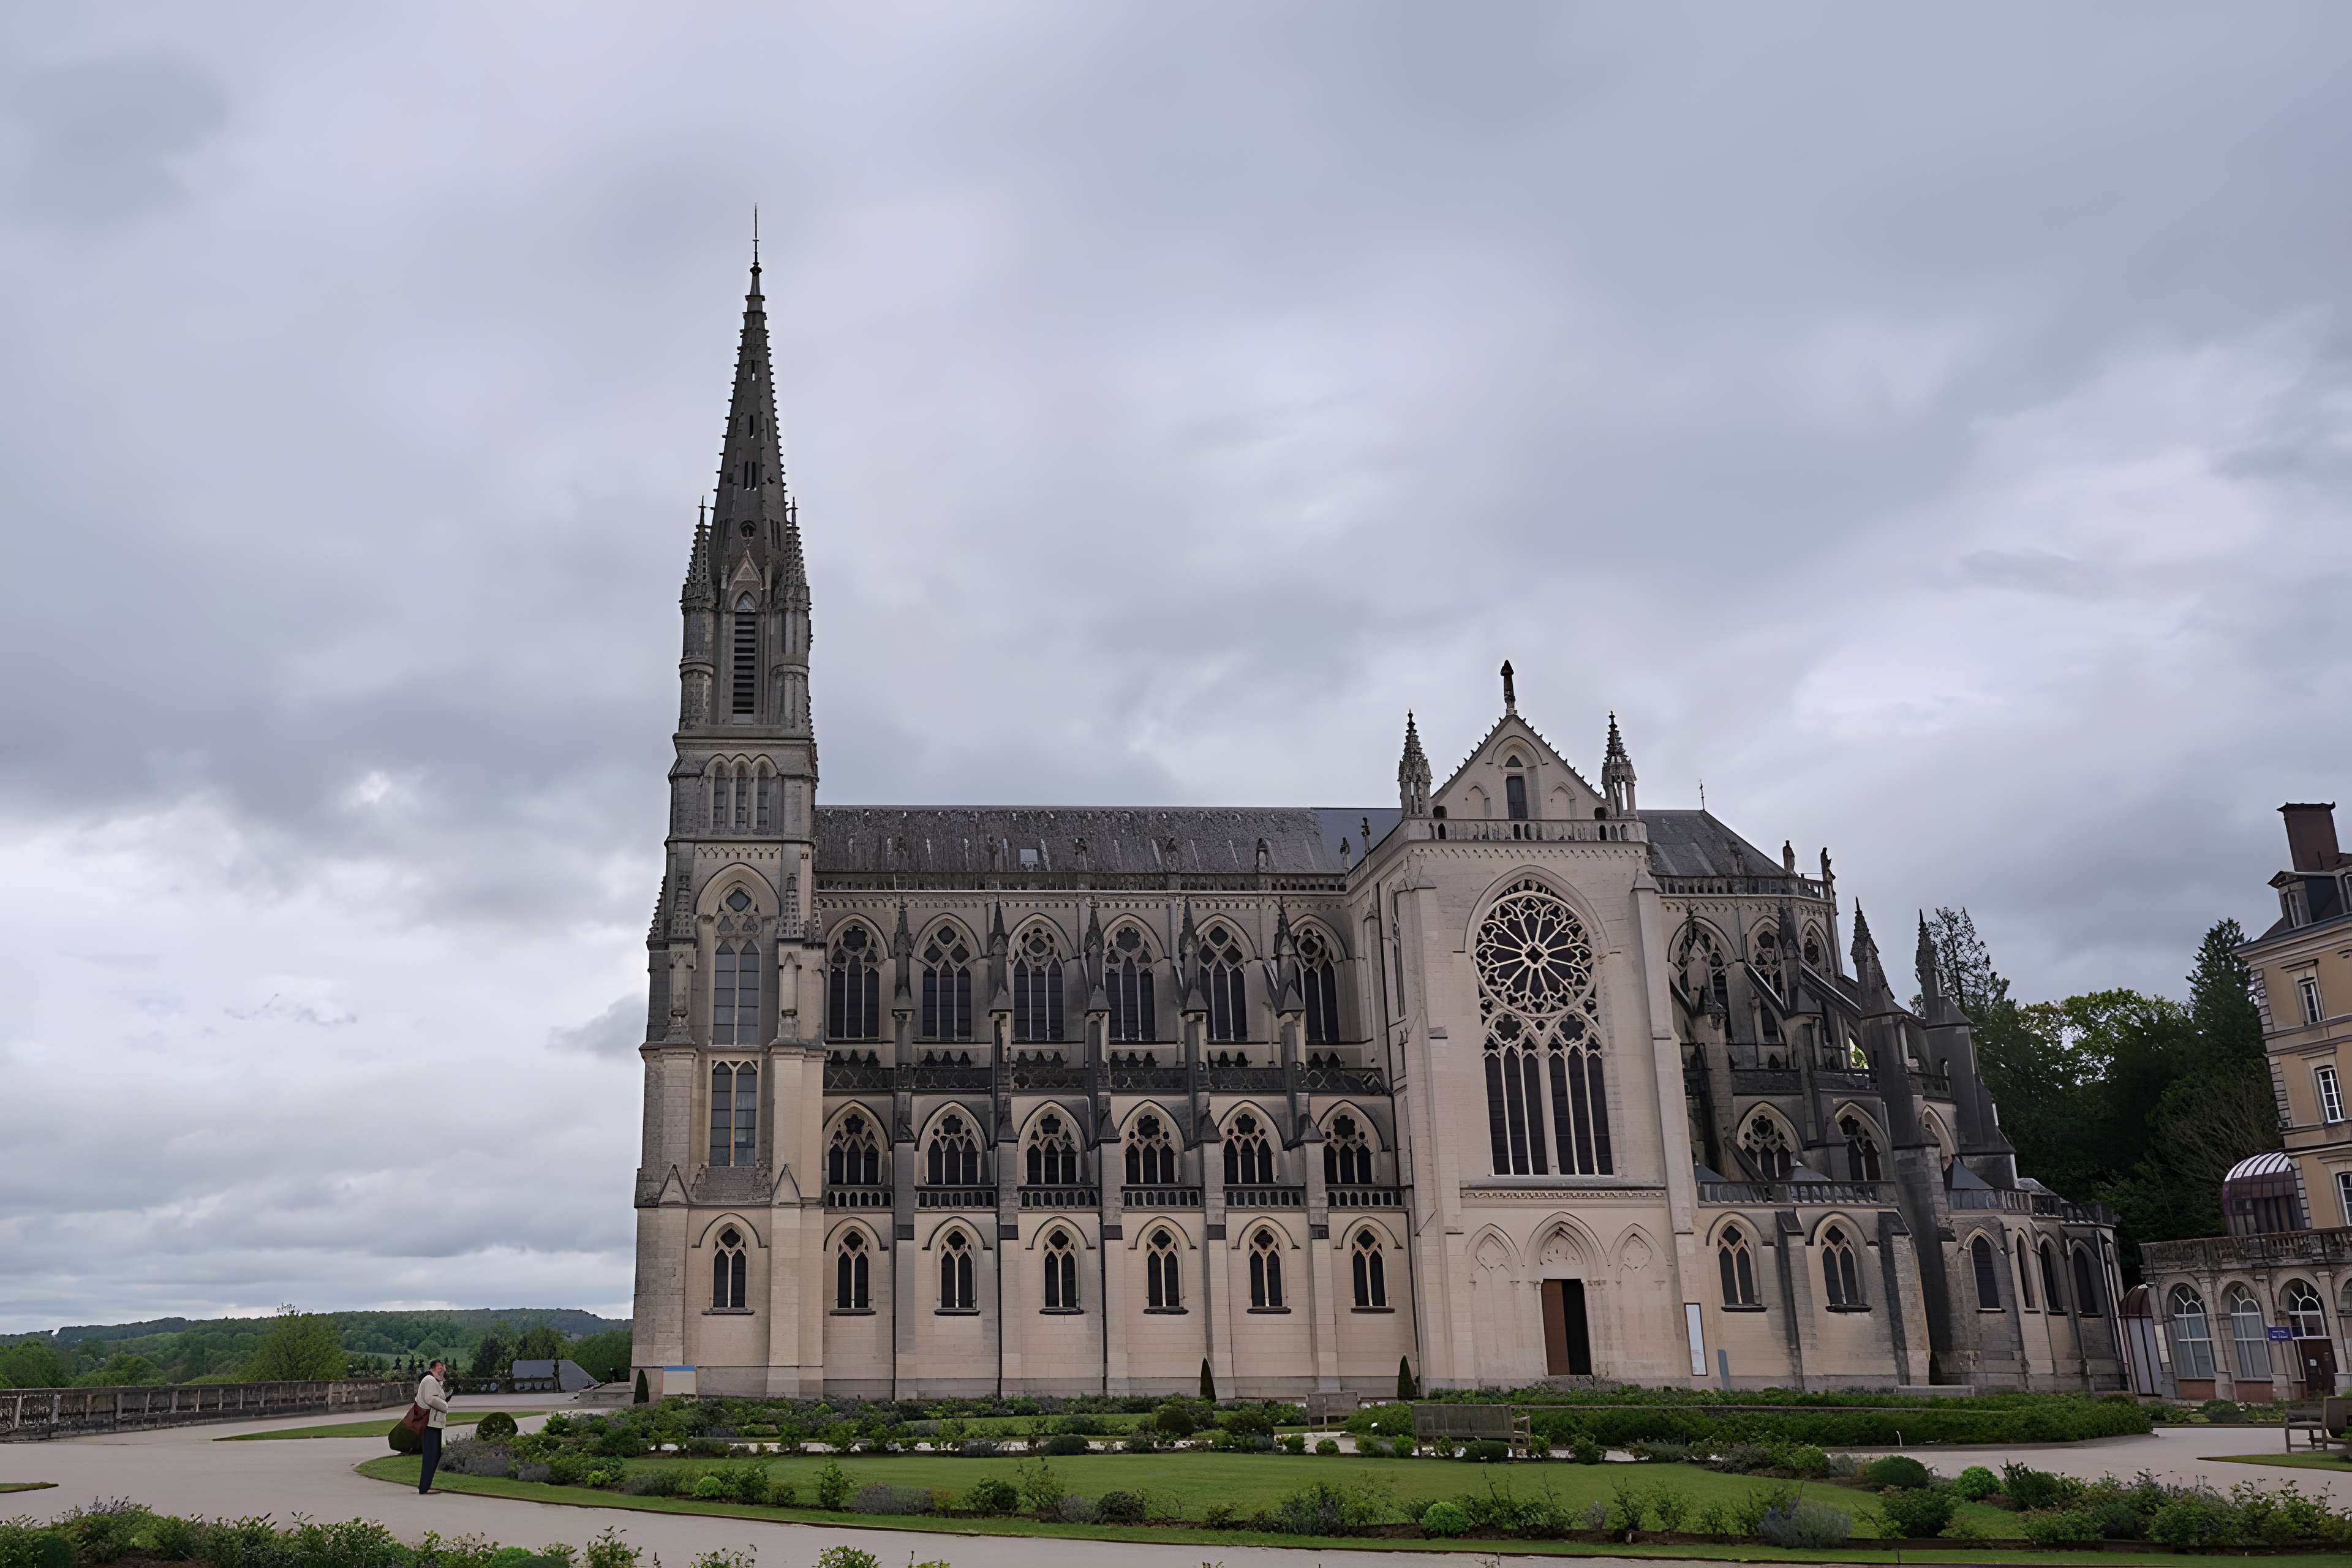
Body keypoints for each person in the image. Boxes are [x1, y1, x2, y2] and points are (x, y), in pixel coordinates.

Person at [415, 1359, 451, 1493]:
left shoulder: (434, 1380)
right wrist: (445, 1405)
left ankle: (425, 1486)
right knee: (431, 1455)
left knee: (435, 1454)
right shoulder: (429, 1380)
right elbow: (430, 1399)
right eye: (440, 1366)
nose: (443, 1368)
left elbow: (436, 1395)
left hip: (433, 1423)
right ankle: (424, 1487)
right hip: (430, 1423)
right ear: (433, 1368)